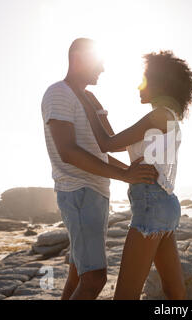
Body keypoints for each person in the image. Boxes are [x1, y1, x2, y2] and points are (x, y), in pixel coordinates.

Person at [41, 38, 158, 300]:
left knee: (78, 274)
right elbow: (68, 152)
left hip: (94, 192)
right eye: (99, 62)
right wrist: (125, 175)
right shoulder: (58, 92)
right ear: (79, 58)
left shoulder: (86, 99)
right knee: (94, 279)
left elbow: (102, 150)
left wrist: (131, 172)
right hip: (79, 192)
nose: (102, 69)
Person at [73, 50, 192, 299]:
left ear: (160, 83)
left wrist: (90, 105)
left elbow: (106, 144)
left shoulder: (158, 115)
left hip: (151, 205)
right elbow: (116, 144)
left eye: (144, 80)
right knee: (175, 292)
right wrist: (100, 114)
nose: (139, 86)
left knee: (125, 296)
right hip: (166, 204)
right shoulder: (166, 117)